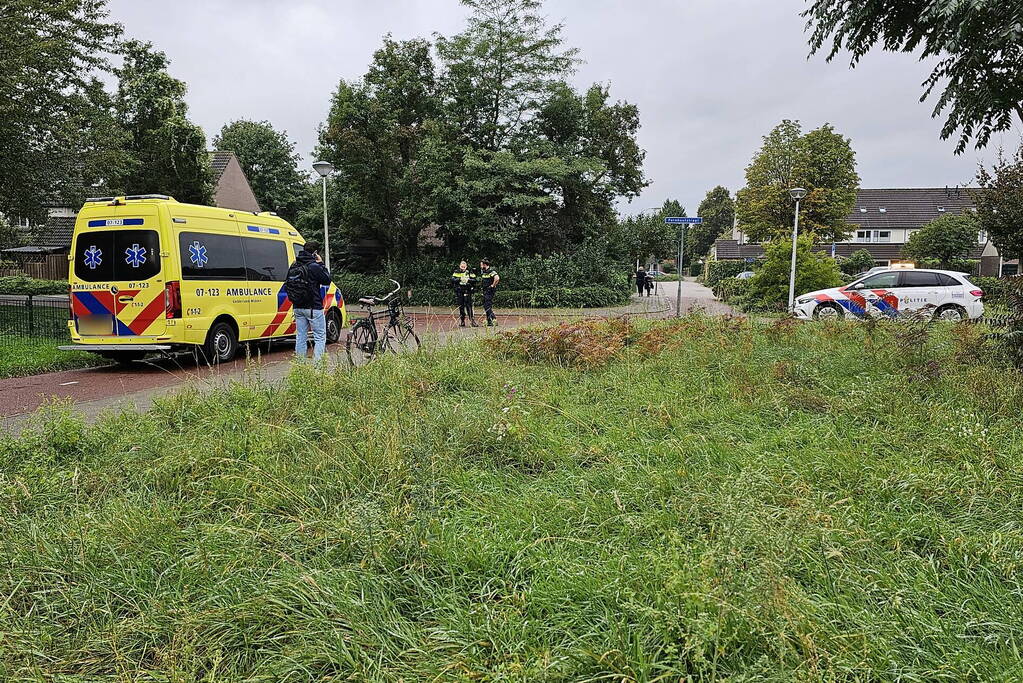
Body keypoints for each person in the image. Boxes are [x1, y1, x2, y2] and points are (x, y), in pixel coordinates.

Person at [285, 240, 332, 361]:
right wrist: (321, 263)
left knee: (301, 336)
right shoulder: (314, 266)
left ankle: (301, 366)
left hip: (298, 306)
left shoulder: (295, 265)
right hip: (313, 308)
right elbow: (327, 280)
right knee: (320, 337)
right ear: (315, 253)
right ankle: (318, 369)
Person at [451, 260, 479, 327]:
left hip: (467, 291)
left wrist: (468, 280)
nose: (462, 267)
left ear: (466, 267)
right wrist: (460, 279)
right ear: (459, 266)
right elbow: (452, 280)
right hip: (460, 291)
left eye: (464, 266)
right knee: (461, 307)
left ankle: (472, 321)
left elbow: (475, 280)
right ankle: (462, 321)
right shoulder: (456, 272)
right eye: (461, 266)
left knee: (469, 306)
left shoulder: (469, 272)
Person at [479, 258, 500, 326]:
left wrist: (492, 285)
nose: (481, 267)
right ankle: (489, 321)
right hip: (485, 290)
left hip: (489, 290)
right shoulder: (484, 272)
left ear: (485, 265)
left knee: (487, 305)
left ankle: (493, 319)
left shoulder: (491, 271)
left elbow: (497, 278)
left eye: (481, 265)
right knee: (486, 306)